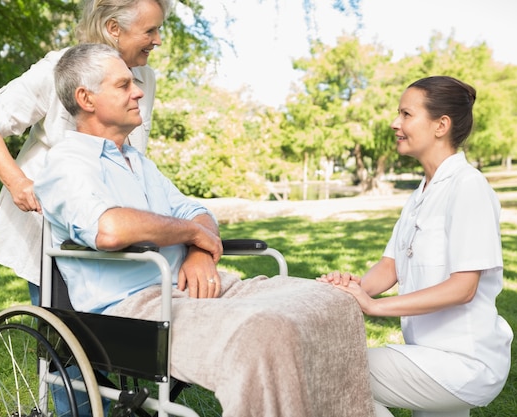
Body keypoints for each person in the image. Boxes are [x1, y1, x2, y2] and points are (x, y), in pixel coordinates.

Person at [34, 43, 376, 417]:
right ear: (86, 98)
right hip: (133, 309)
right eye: (123, 85)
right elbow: (110, 229)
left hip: (191, 286)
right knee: (265, 334)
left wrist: (198, 251)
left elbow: (196, 212)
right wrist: (192, 234)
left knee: (334, 301)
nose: (138, 91)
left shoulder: (136, 161)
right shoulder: (65, 165)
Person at [318, 76, 513, 417]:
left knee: (330, 371)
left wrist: (375, 307)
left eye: (406, 114)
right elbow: (390, 266)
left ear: (441, 125)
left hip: (464, 361)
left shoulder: (468, 187)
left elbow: (463, 288)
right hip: (426, 350)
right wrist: (351, 290)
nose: (395, 123)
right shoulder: (421, 192)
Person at [0, 0, 170, 304]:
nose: (158, 40)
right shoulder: (58, 68)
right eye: (150, 30)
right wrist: (17, 183)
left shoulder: (145, 79)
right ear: (114, 28)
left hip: (106, 219)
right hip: (50, 217)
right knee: (59, 318)